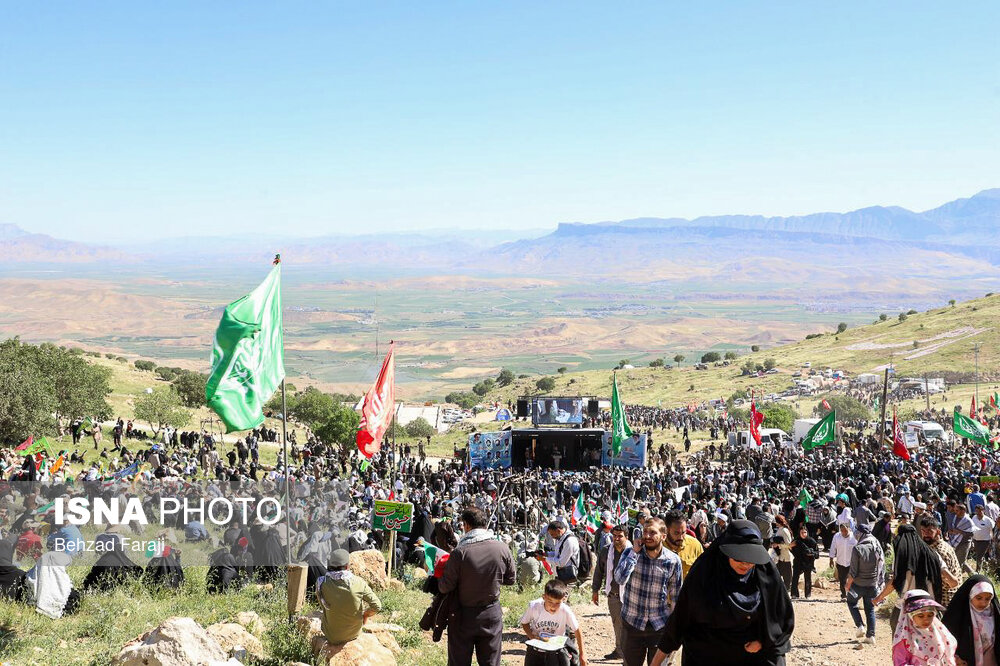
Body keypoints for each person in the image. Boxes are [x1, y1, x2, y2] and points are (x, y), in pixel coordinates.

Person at [651, 519, 795, 666]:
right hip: (707, 657)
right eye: (739, 557)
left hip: (752, 658)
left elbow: (781, 619)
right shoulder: (703, 575)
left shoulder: (765, 575)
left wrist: (763, 641)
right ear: (725, 551)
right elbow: (679, 621)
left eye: (751, 559)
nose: (746, 564)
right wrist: (656, 663)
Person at [439, 506, 517, 666]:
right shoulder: (502, 547)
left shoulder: (460, 552)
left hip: (462, 616)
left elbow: (445, 587)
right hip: (491, 614)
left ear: (466, 525)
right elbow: (511, 579)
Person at [614, 517, 683, 666]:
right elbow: (619, 578)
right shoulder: (631, 552)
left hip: (659, 626)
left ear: (663, 536)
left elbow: (676, 596)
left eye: (653, 533)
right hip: (632, 624)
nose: (647, 536)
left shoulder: (673, 561)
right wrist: (634, 553)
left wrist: (673, 627)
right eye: (645, 532)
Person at [874, 524, 957, 633]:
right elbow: (953, 582)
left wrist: (879, 597)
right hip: (928, 609)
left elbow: (894, 582)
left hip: (905, 609)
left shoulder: (902, 557)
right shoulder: (933, 554)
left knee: (903, 645)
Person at [316, 549, 382, 645]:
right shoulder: (359, 582)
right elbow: (377, 606)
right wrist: (365, 615)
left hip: (331, 635)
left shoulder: (321, 582)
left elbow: (323, 606)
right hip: (354, 633)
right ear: (347, 566)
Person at [520, 578, 588, 666]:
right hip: (535, 650)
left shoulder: (565, 610)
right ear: (543, 597)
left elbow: (577, 630)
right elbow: (525, 623)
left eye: (557, 603)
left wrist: (582, 654)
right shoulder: (534, 607)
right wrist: (532, 637)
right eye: (550, 601)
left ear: (563, 599)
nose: (553, 606)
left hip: (556, 652)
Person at [941, 575, 1000, 666]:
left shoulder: (993, 613)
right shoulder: (958, 614)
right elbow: (944, 639)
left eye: (988, 599)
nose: (983, 603)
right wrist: (955, 657)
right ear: (970, 594)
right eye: (979, 598)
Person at [891, 589, 957, 666]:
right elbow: (900, 663)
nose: (926, 620)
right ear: (910, 615)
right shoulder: (905, 639)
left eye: (930, 615)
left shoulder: (939, 632)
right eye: (920, 616)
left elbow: (947, 651)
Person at [592, 524, 629, 660]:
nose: (617, 539)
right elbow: (599, 571)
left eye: (620, 536)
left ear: (626, 537)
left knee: (631, 626)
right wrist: (595, 590)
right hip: (613, 595)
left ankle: (630, 654)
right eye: (614, 536)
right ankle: (619, 651)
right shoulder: (606, 551)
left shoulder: (634, 552)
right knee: (617, 624)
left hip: (630, 596)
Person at [845, 523, 885, 646]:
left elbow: (853, 571)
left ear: (861, 533)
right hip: (872, 584)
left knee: (851, 603)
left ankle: (860, 626)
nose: (855, 534)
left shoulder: (857, 548)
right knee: (870, 609)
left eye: (857, 532)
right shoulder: (876, 545)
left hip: (857, 585)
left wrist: (848, 584)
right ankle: (871, 636)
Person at [663, 511, 703, 578]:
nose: (681, 537)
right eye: (676, 533)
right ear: (667, 530)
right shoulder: (657, 546)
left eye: (683, 532)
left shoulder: (695, 545)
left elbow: (703, 571)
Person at [829, 521, 857, 600]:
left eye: (845, 530)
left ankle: (852, 596)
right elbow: (833, 547)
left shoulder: (854, 537)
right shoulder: (837, 536)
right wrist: (831, 559)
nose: (844, 532)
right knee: (842, 580)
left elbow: (859, 548)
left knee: (853, 580)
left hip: (852, 563)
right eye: (842, 531)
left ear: (849, 529)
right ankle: (844, 595)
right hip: (841, 562)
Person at [789, 524, 818, 599]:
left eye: (805, 532)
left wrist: (811, 554)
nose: (803, 534)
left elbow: (817, 554)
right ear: (799, 533)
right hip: (798, 561)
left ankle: (807, 595)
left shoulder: (812, 541)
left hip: (808, 562)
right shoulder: (796, 541)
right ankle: (794, 594)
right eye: (802, 532)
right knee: (795, 578)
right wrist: (791, 547)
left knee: (807, 579)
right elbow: (791, 549)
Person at [970, 505, 994, 573]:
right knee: (979, 555)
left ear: (983, 510)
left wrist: (992, 539)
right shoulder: (974, 517)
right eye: (976, 511)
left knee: (979, 556)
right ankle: (985, 567)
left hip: (985, 541)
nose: (978, 513)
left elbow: (992, 529)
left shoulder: (988, 520)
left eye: (979, 511)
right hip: (976, 540)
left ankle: (977, 571)